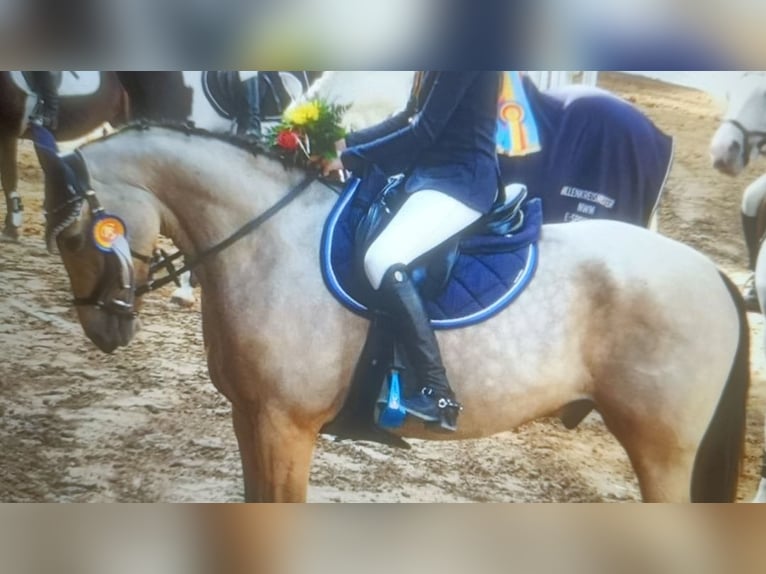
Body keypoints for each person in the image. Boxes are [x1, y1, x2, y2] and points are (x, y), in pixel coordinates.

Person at [319, 71, 501, 432]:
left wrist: (351, 158)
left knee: (382, 258)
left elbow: (425, 132)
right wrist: (343, 142)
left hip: (461, 182)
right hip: (428, 178)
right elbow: (409, 116)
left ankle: (438, 393)